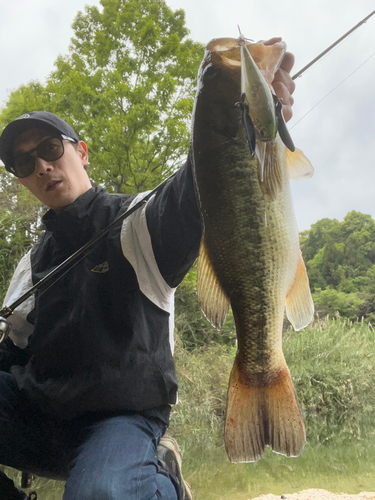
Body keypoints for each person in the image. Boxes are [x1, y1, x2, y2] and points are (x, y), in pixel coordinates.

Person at [0, 40, 296, 500]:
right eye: (25, 161)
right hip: (40, 418)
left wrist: (252, 119)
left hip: (118, 423)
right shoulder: (29, 265)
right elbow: (12, 354)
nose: (42, 165)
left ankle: (161, 475)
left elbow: (201, 184)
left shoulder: (140, 222)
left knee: (102, 493)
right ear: (20, 177)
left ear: (81, 153)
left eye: (50, 148)